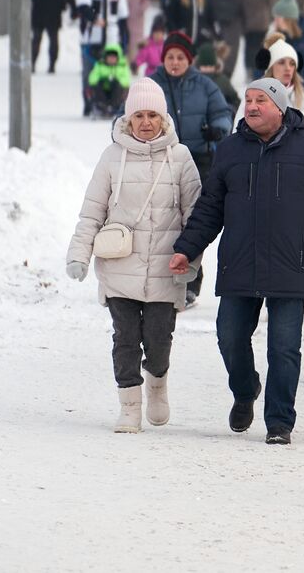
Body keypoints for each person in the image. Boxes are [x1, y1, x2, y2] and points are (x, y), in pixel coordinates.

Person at [168, 78, 304, 445]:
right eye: (248, 100)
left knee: (283, 347)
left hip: (289, 263)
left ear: (280, 108)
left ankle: (280, 421)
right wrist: (187, 247)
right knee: (230, 337)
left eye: (260, 101)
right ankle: (245, 389)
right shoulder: (231, 149)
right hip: (240, 262)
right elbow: (211, 207)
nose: (251, 107)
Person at [65, 78, 203, 433]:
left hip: (164, 269)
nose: (145, 122)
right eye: (138, 115)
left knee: (158, 341)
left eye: (152, 115)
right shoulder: (112, 158)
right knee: (125, 338)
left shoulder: (182, 157)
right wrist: (78, 254)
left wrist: (192, 261)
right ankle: (129, 406)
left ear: (163, 118)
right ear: (128, 120)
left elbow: (196, 217)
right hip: (119, 269)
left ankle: (157, 383)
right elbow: (92, 212)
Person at [148, 30, 233, 306]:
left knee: (193, 221)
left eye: (180, 57)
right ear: (163, 59)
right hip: (160, 159)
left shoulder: (205, 85)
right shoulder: (151, 84)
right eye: (170, 57)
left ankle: (190, 281)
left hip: (198, 160)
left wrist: (217, 131)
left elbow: (222, 113)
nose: (175, 62)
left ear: (190, 59)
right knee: (161, 221)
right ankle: (158, 278)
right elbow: (127, 115)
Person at [75, 0, 130, 117]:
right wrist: (94, 19)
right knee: (90, 73)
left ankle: (112, 104)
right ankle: (89, 103)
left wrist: (125, 41)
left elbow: (123, 18)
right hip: (91, 38)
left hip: (112, 39)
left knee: (114, 73)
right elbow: (83, 7)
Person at [255, 38, 304, 133]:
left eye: (292, 64)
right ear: (271, 67)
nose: (288, 68)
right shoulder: (254, 98)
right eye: (281, 62)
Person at [239, 0, 274, 80]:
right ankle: (258, 71)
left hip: (247, 21)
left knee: (249, 47)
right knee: (260, 46)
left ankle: (249, 70)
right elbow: (271, 3)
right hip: (262, 21)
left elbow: (240, 1)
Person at [209, 0, 245, 79]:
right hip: (233, 29)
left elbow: (210, 11)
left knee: (218, 53)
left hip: (217, 28)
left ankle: (216, 73)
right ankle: (227, 76)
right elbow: (242, 11)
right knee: (231, 55)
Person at [87, 42, 132, 117]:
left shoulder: (122, 67)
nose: (111, 59)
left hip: (117, 91)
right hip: (103, 90)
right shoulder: (100, 65)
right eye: (109, 57)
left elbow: (126, 79)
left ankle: (115, 106)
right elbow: (93, 76)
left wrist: (116, 80)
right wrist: (103, 79)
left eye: (113, 57)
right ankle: (102, 105)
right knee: (97, 85)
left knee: (118, 85)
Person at [196, 43, 240, 115]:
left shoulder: (222, 80)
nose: (207, 69)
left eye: (210, 66)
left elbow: (235, 99)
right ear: (199, 66)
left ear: (215, 66)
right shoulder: (193, 80)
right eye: (204, 66)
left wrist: (230, 109)